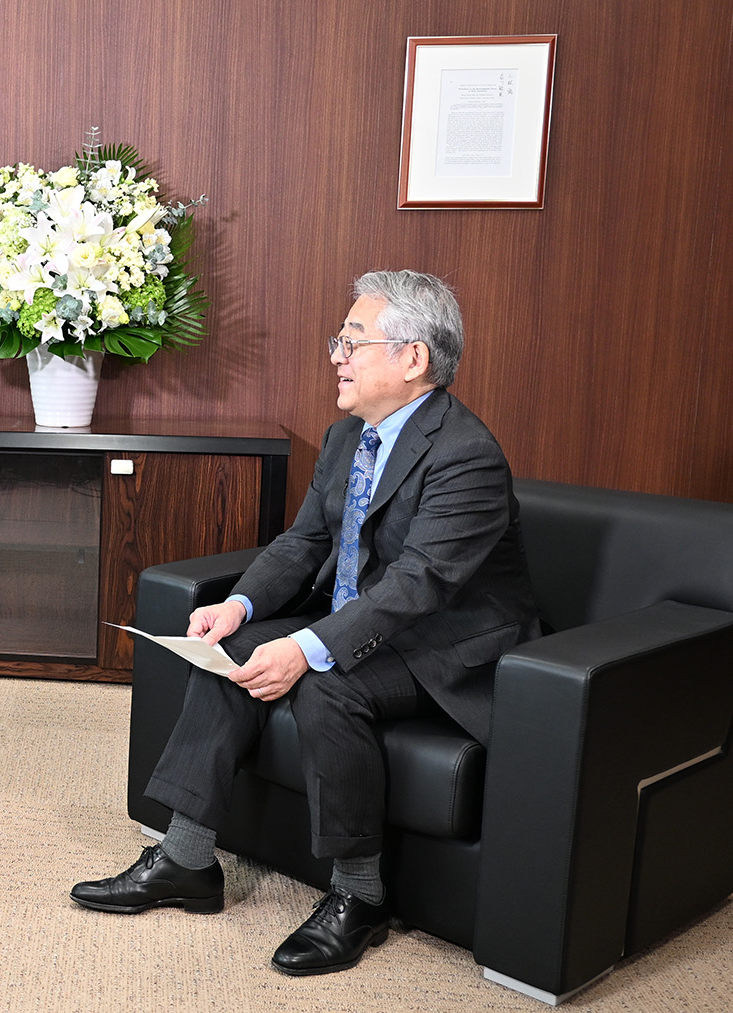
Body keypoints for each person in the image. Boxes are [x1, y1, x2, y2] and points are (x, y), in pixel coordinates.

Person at [70, 270, 540, 976]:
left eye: (352, 342)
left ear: (413, 358)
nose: (336, 356)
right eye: (338, 341)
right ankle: (187, 860)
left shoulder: (466, 454)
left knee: (327, 681)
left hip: (444, 644)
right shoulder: (349, 434)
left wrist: (307, 645)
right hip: (362, 618)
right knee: (230, 651)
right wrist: (242, 606)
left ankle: (359, 895)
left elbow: (421, 583)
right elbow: (304, 543)